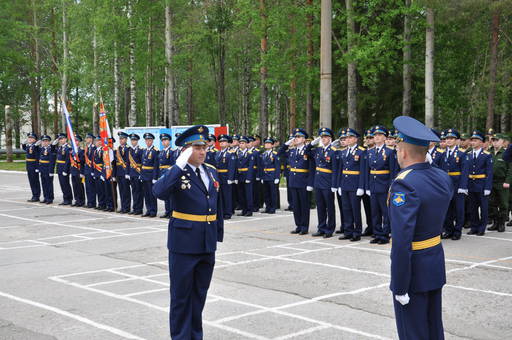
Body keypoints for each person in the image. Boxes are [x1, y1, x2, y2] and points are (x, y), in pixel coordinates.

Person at [153, 125, 223, 340]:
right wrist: (178, 164)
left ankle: (195, 336)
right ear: (185, 150)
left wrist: (217, 235)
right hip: (183, 243)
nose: (202, 151)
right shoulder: (177, 172)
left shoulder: (210, 171)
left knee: (199, 296)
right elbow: (159, 192)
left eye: (204, 146)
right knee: (181, 298)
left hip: (206, 242)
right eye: (196, 147)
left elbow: (217, 206)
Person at [389, 116, 453, 340]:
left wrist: (399, 285)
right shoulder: (442, 178)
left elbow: (401, 243)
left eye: (398, 147)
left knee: (413, 333)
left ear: (403, 152)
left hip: (413, 273)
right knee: (434, 328)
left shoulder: (404, 184)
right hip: (434, 264)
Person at [366, 126, 398, 245]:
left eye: (379, 135)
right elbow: (368, 170)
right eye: (375, 135)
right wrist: (368, 186)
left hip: (384, 185)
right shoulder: (370, 152)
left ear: (385, 137)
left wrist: (391, 186)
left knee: (385, 212)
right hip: (373, 185)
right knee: (375, 212)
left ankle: (385, 234)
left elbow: (393, 171)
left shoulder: (390, 151)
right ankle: (377, 233)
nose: (377, 137)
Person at [279, 128, 313, 235]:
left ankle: (304, 227)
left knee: (304, 205)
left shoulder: (307, 151)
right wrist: (287, 143)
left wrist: (310, 183)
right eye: (295, 137)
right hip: (293, 181)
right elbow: (279, 152)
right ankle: (298, 225)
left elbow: (311, 168)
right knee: (296, 206)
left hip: (303, 182)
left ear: (304, 139)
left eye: (298, 137)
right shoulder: (292, 151)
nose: (296, 139)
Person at [438, 129, 468, 240]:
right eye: (447, 139)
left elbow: (465, 171)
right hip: (446, 185)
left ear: (457, 140)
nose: (449, 140)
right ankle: (449, 230)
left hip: (457, 184)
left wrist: (463, 186)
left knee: (459, 209)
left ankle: (457, 230)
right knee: (447, 209)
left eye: (451, 138)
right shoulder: (442, 154)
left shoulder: (461, 153)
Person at [337, 128, 366, 242]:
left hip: (355, 185)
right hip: (344, 184)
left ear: (356, 139)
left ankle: (357, 232)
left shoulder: (361, 151)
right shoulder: (343, 151)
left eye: (350, 137)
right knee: (346, 209)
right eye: (346, 138)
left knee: (355, 209)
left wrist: (361, 186)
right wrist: (339, 185)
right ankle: (348, 231)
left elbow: (363, 171)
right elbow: (341, 170)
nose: (348, 140)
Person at [307, 128, 337, 238]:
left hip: (328, 182)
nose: (323, 139)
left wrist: (334, 185)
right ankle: (321, 227)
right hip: (318, 182)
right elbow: (306, 151)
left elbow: (335, 170)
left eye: (326, 137)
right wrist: (311, 144)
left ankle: (330, 229)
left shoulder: (334, 151)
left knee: (329, 207)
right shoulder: (318, 150)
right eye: (322, 137)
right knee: (320, 206)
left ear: (330, 138)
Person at [466, 130, 493, 236]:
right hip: (471, 184)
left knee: (484, 208)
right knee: (472, 207)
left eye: (476, 140)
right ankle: (474, 227)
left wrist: (487, 187)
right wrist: (466, 186)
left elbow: (489, 173)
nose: (473, 142)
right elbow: (466, 171)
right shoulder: (468, 154)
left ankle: (482, 228)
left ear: (481, 142)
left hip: (482, 184)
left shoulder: (487, 155)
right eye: (472, 140)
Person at [488, 134, 511, 232]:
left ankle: (501, 224)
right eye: (493, 140)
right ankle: (495, 222)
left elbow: (510, 169)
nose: (495, 142)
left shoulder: (506, 153)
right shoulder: (489, 152)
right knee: (492, 204)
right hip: (491, 182)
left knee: (503, 204)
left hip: (502, 182)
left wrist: (507, 181)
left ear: (502, 141)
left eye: (497, 140)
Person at [215, 134, 236, 219]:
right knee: (219, 196)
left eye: (224, 141)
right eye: (220, 142)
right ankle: (221, 212)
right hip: (218, 176)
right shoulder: (218, 153)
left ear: (228, 143)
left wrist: (230, 178)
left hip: (226, 176)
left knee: (227, 196)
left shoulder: (230, 153)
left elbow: (232, 166)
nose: (222, 143)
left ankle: (228, 213)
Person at [236, 136, 256, 216]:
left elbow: (251, 166)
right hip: (240, 175)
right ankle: (243, 210)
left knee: (248, 194)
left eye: (243, 143)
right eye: (240, 143)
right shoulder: (237, 153)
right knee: (241, 194)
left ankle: (249, 210)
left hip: (246, 175)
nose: (241, 145)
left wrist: (249, 177)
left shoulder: (250, 154)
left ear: (246, 144)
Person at [141, 133, 159, 217]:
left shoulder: (155, 151)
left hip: (151, 175)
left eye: (150, 140)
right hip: (144, 175)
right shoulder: (144, 150)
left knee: (152, 194)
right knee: (146, 194)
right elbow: (142, 164)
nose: (148, 142)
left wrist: (155, 177)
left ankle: (153, 211)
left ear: (152, 141)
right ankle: (148, 209)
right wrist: (141, 175)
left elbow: (156, 165)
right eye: (147, 140)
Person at [260, 137, 280, 214]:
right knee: (266, 193)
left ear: (272, 145)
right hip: (265, 176)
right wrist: (262, 176)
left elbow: (277, 166)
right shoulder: (263, 154)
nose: (267, 145)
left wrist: (277, 177)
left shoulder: (275, 154)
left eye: (269, 143)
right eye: (266, 143)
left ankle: (273, 207)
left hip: (272, 176)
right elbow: (262, 166)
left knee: (273, 193)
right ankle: (267, 207)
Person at [158, 133, 175, 218]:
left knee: (170, 194)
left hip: (168, 174)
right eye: (163, 141)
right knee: (165, 192)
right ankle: (167, 211)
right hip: (162, 174)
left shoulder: (172, 151)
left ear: (169, 141)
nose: (164, 142)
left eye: (166, 140)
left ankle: (171, 212)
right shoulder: (161, 152)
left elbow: (173, 164)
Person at [22, 132, 41, 202]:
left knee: (35, 181)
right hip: (29, 165)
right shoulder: (28, 146)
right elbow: (24, 148)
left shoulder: (36, 147)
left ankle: (36, 196)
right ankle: (34, 195)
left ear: (35, 139)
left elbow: (37, 157)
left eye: (31, 138)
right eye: (29, 138)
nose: (29, 139)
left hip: (34, 166)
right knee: (31, 181)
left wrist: (37, 167)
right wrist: (24, 143)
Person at [116, 132, 132, 214]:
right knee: (121, 190)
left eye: (122, 139)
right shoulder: (118, 149)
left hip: (125, 172)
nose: (121, 140)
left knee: (126, 191)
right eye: (120, 139)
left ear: (126, 139)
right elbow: (116, 162)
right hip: (119, 173)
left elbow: (129, 162)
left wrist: (127, 173)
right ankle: (122, 206)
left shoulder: (129, 149)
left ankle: (127, 207)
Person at [128, 133, 144, 215]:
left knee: (139, 192)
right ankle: (135, 208)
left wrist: (141, 174)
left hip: (138, 173)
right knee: (134, 192)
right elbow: (128, 163)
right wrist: (128, 173)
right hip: (132, 174)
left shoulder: (141, 150)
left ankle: (139, 209)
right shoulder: (129, 150)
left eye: (134, 140)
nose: (133, 142)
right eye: (132, 140)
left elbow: (142, 163)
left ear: (137, 141)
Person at [56, 133, 73, 205]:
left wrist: (65, 170)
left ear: (65, 139)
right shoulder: (60, 147)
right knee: (62, 184)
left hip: (64, 168)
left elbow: (68, 160)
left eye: (62, 139)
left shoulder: (68, 148)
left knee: (66, 184)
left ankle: (69, 199)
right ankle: (65, 198)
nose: (60, 140)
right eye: (59, 139)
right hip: (60, 168)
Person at [38, 135, 56, 204]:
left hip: (48, 168)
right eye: (43, 141)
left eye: (46, 141)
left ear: (49, 142)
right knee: (44, 184)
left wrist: (51, 171)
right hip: (42, 168)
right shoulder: (41, 149)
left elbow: (52, 161)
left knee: (49, 184)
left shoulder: (51, 149)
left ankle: (50, 198)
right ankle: (45, 197)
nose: (45, 142)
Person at [70, 134, 85, 207]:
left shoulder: (81, 150)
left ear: (79, 142)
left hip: (79, 170)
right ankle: (76, 200)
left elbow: (83, 161)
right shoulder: (72, 150)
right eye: (74, 141)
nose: (75, 142)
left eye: (76, 141)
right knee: (74, 186)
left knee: (80, 186)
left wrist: (77, 159)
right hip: (73, 170)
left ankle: (81, 200)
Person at [83, 133, 97, 208]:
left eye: (88, 138)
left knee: (92, 187)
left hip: (92, 170)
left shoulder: (94, 148)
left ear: (91, 139)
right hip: (86, 170)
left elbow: (94, 160)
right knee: (87, 187)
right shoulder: (86, 148)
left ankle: (93, 202)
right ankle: (89, 202)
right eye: (86, 138)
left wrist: (93, 171)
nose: (87, 139)